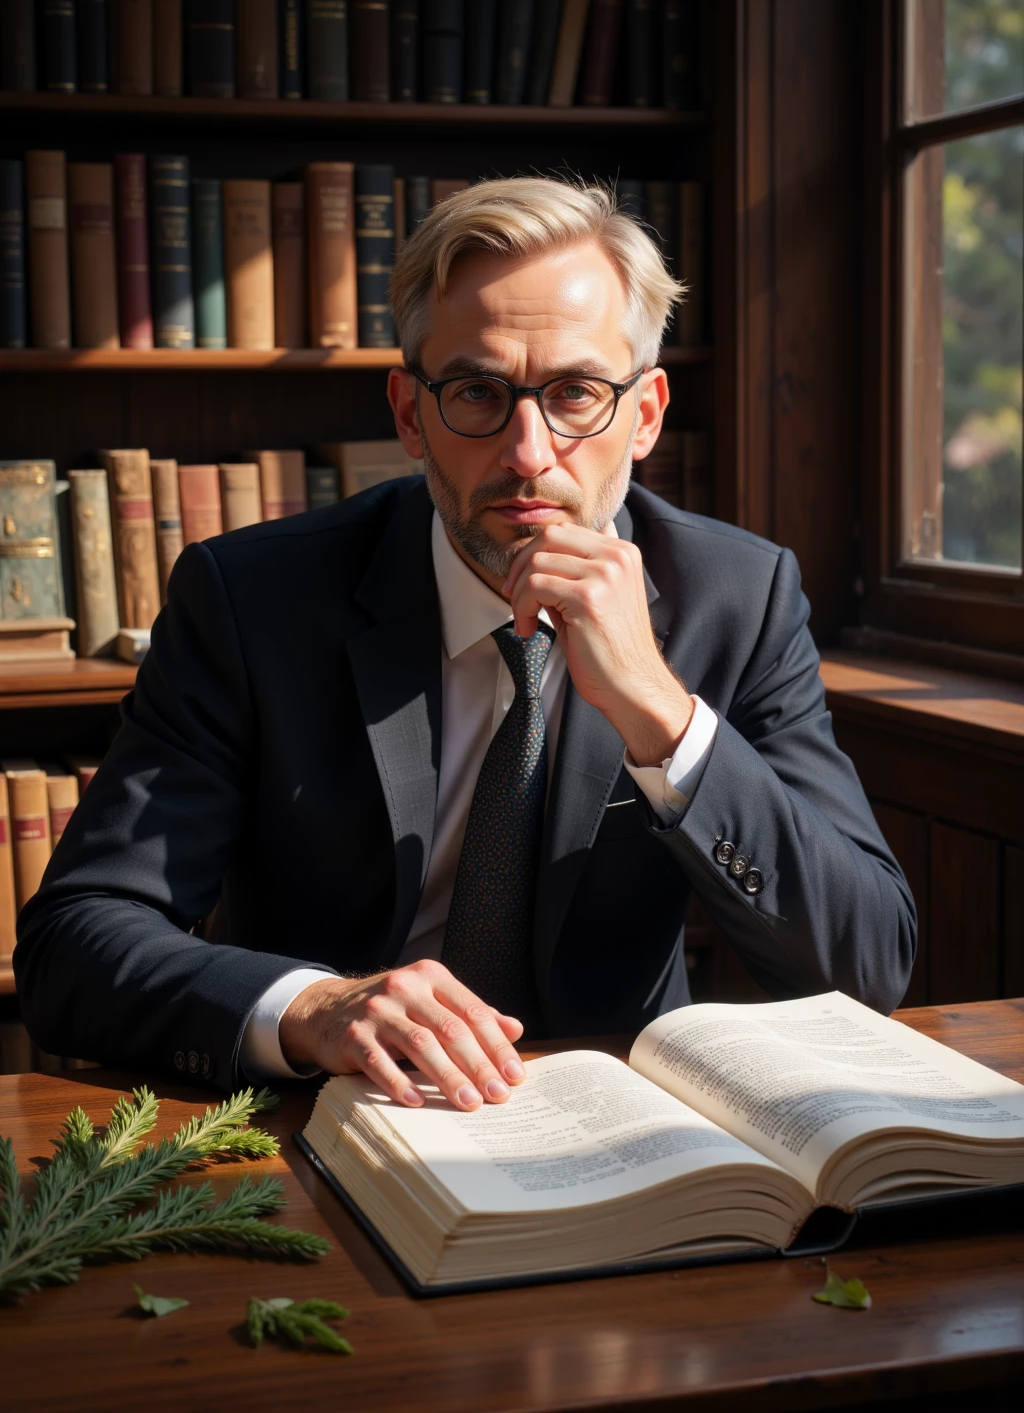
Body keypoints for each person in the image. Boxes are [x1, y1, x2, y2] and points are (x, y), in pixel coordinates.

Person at [15, 177, 915, 1112]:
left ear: (644, 416)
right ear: (411, 414)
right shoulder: (251, 601)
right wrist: (315, 1007)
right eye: (479, 393)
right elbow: (73, 941)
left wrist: (663, 715)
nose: (529, 453)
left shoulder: (739, 598)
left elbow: (868, 961)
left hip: (628, 1124)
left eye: (576, 393)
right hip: (341, 1118)